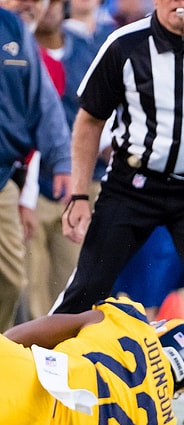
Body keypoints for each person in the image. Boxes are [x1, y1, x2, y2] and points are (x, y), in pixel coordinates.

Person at [52, 0, 184, 425]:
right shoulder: (124, 45)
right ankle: (42, 380)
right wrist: (78, 193)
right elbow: (89, 119)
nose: (180, 5)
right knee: (88, 285)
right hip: (132, 185)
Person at [0, 296, 184, 425]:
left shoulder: (132, 318)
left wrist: (7, 348)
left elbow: (50, 328)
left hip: (24, 369)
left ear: (160, 329)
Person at [0, 5, 71, 331]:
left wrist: (61, 160)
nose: (31, 2)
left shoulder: (13, 29)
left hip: (3, 176)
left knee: (12, 278)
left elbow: (43, 99)